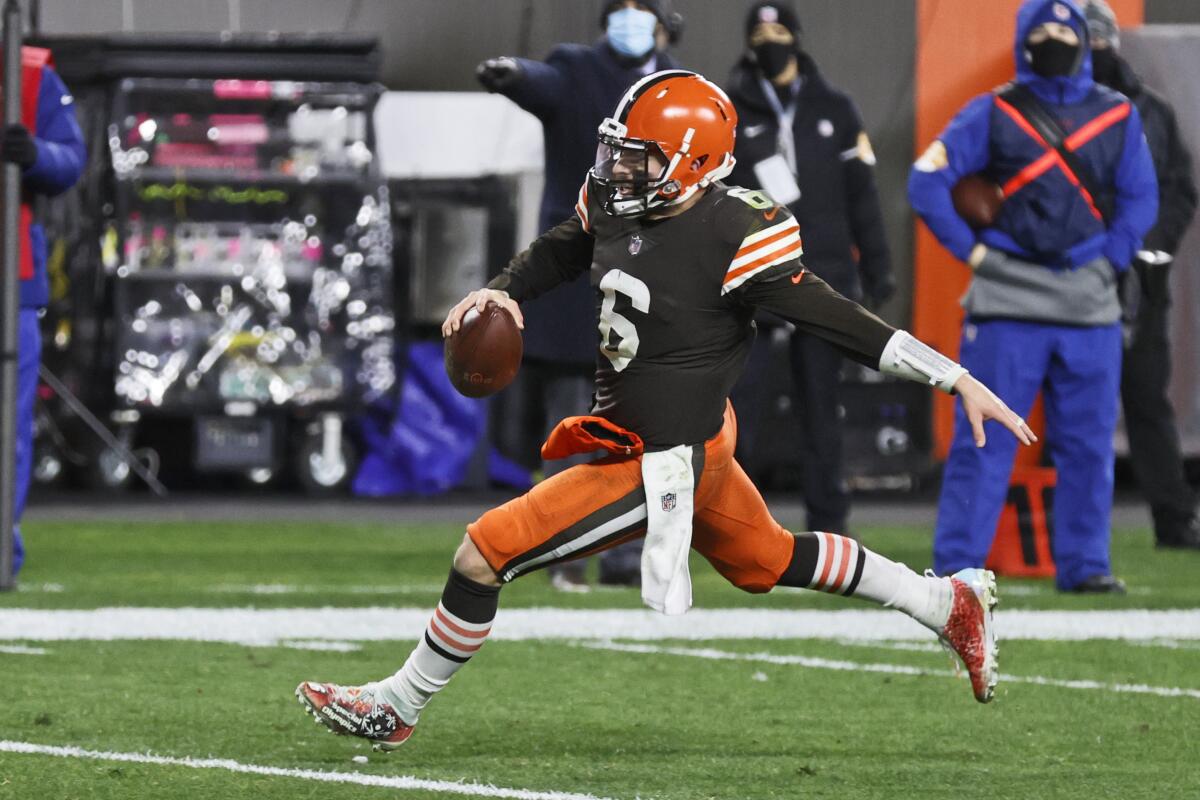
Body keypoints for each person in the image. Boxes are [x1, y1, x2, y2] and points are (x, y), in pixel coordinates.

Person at [296, 71, 1037, 750]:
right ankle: (948, 603)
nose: (619, 169)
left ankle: (399, 703)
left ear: (691, 162)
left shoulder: (735, 236)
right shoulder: (622, 204)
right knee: (768, 559)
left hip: (662, 458)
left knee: (483, 552)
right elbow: (568, 244)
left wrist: (952, 376)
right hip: (685, 438)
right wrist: (506, 289)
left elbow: (839, 320)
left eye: (639, 157)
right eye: (617, 152)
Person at [909, 0, 1158, 593]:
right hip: (1005, 306)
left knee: (1089, 447)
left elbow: (1142, 198)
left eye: (1063, 30)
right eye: (1040, 30)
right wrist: (973, 255)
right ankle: (957, 569)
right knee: (983, 439)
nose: (1052, 39)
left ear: (1083, 40)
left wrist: (1111, 257)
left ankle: (1086, 566)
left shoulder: (1117, 114)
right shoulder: (992, 112)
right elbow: (926, 181)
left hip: (1089, 307)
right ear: (1022, 39)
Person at [476, 0, 684, 590]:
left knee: (641, 429)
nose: (631, 17)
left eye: (641, 9)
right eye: (621, 8)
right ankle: (559, 551)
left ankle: (624, 558)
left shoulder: (676, 84)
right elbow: (541, 82)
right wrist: (511, 75)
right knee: (570, 423)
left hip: (651, 279)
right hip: (580, 280)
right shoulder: (576, 68)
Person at [725, 1, 895, 533]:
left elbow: (862, 197)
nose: (769, 39)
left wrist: (879, 270)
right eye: (760, 32)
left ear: (797, 37)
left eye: (779, 30)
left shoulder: (836, 108)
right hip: (749, 275)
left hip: (821, 275)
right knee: (735, 408)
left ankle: (829, 521)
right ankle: (731, 520)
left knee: (821, 407)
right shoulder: (731, 108)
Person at [1085, 0, 1200, 551]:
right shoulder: (1043, 114)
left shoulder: (1152, 112)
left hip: (1140, 283)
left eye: (1099, 40)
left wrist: (1153, 249)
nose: (1093, 52)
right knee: (1071, 406)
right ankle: (1065, 527)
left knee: (1147, 403)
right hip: (1077, 280)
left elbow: (1181, 189)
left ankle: (1174, 521)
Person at [2, 46, 87, 579]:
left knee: (7, 426)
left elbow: (70, 159)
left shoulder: (30, 74)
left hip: (12, 277)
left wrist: (32, 152)